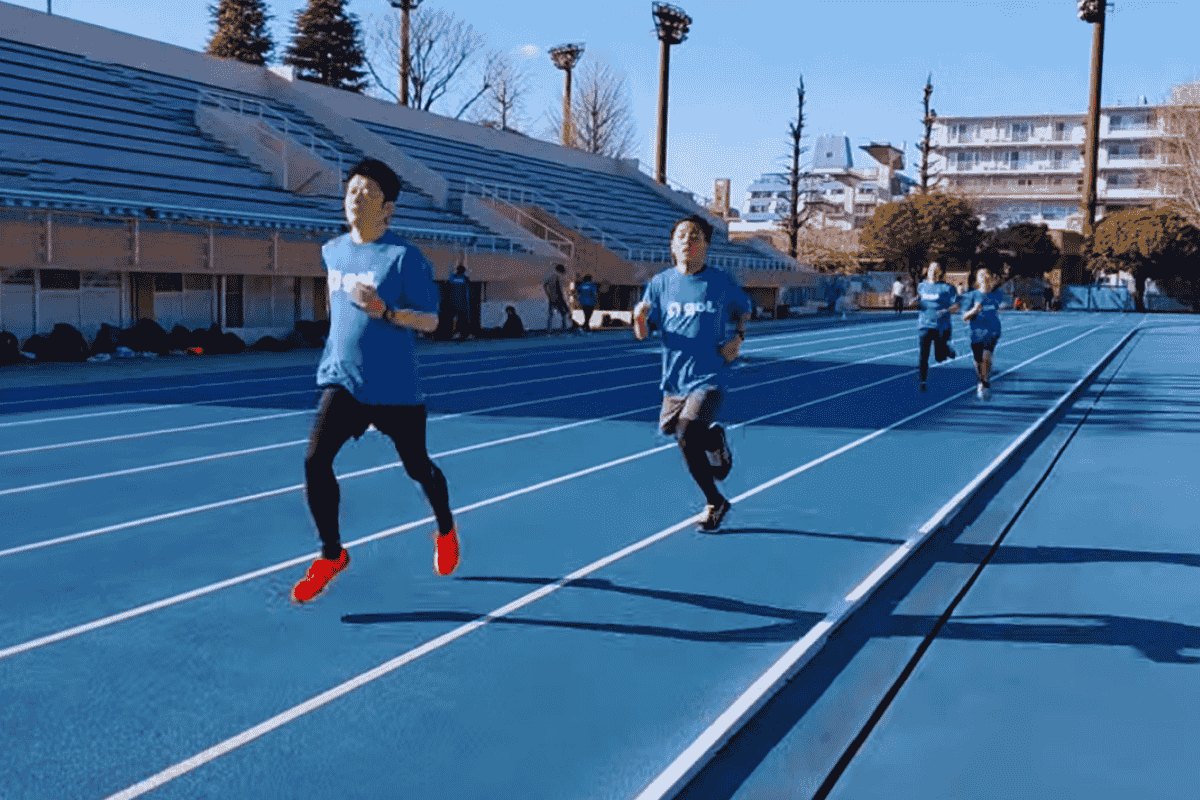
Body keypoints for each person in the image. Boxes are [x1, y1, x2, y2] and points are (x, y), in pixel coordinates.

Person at [291, 158, 459, 604]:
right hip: (343, 381)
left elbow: (432, 321)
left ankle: (445, 529)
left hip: (396, 389)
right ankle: (331, 554)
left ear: (388, 209)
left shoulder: (404, 257)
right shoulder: (332, 251)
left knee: (418, 467)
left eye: (367, 194)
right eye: (351, 191)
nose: (355, 199)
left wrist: (385, 311)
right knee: (314, 460)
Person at [632, 214, 751, 531]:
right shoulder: (660, 284)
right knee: (676, 431)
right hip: (675, 378)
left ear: (706, 245)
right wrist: (639, 317)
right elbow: (643, 333)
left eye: (695, 235)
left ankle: (715, 502)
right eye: (682, 235)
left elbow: (743, 311)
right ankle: (714, 439)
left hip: (710, 375)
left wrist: (738, 338)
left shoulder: (721, 282)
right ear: (672, 245)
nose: (688, 240)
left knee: (686, 435)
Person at [961, 267, 1007, 400]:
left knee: (986, 356)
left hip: (992, 331)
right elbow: (964, 317)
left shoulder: (996, 294)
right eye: (981, 276)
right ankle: (982, 379)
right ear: (978, 280)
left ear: (989, 278)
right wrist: (974, 311)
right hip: (976, 333)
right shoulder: (972, 295)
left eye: (986, 276)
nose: (984, 278)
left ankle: (985, 382)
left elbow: (1005, 302)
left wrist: (1004, 306)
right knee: (978, 361)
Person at [916, 261, 959, 392]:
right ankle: (923, 381)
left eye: (936, 270)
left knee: (939, 358)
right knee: (923, 354)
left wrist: (947, 310)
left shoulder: (947, 288)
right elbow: (920, 302)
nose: (933, 272)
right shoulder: (922, 286)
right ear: (927, 271)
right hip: (924, 324)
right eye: (931, 269)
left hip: (941, 326)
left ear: (940, 272)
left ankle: (946, 348)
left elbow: (956, 306)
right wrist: (915, 302)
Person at [543, 263, 576, 334]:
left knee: (551, 314)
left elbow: (545, 284)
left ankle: (549, 329)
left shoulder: (551, 277)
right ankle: (564, 327)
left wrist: (548, 294)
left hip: (552, 297)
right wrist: (562, 298)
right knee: (565, 312)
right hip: (558, 297)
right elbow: (558, 289)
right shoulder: (557, 277)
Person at [447, 264, 472, 340]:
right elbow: (469, 286)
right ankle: (463, 334)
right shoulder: (465, 278)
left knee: (452, 318)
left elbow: (448, 286)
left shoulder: (452, 277)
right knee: (463, 319)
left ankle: (452, 333)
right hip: (462, 302)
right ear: (463, 271)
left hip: (453, 301)